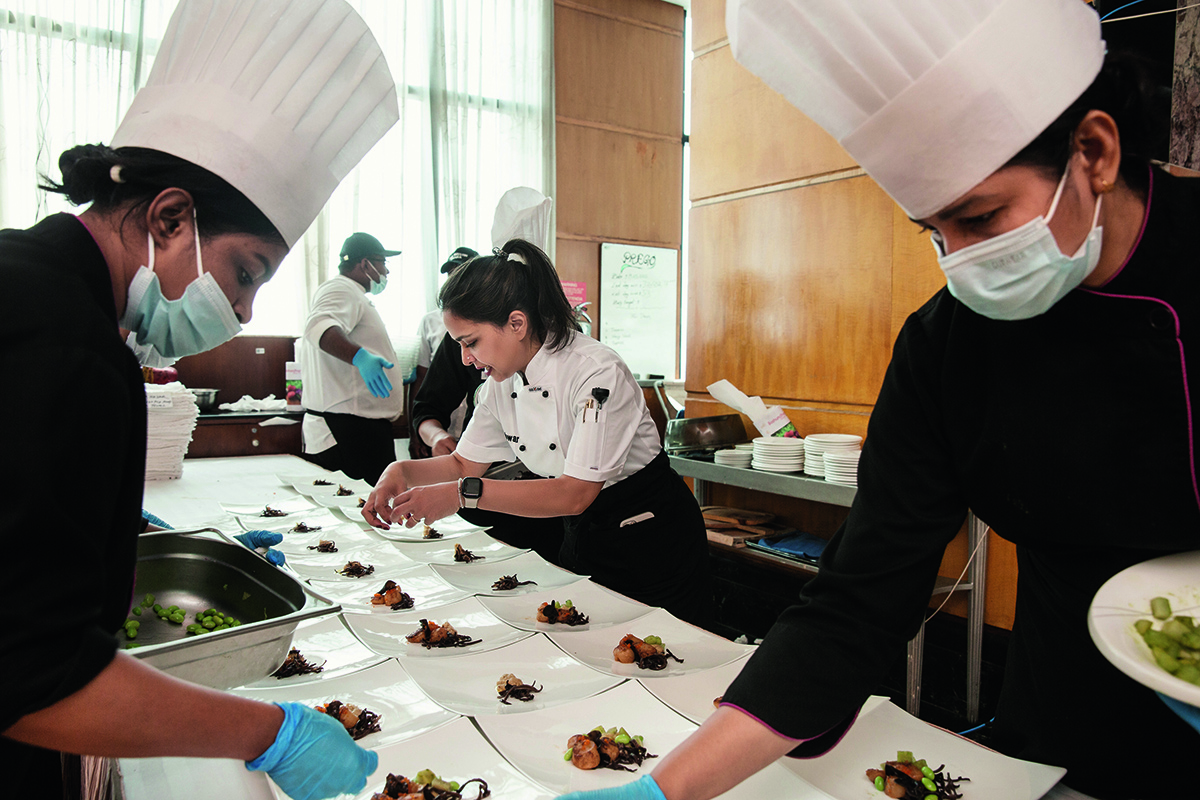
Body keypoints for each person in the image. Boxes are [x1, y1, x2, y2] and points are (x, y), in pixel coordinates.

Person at [559, 2, 1197, 800]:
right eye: (934, 232)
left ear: (1094, 152)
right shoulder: (946, 349)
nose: (961, 265)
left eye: (981, 217)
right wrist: (668, 789)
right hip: (1060, 725)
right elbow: (857, 604)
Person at [0, 2, 398, 798]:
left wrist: (124, 538)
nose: (245, 313)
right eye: (246, 272)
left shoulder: (28, 279)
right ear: (170, 216)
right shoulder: (71, 347)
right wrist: (267, 733)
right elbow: (29, 676)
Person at [363, 239, 711, 623]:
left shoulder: (595, 373)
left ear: (516, 323)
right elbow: (463, 463)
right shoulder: (500, 383)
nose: (465, 358)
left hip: (651, 539)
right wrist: (402, 472)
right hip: (584, 533)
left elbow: (574, 492)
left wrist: (463, 496)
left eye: (471, 342)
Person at [300, 231, 404, 483]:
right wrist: (360, 357)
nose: (386, 272)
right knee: (366, 510)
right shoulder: (341, 289)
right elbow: (318, 326)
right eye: (383, 263)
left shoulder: (352, 294)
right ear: (365, 263)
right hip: (348, 428)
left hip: (356, 426)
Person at [408, 245, 478, 459]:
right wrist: (433, 435)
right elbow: (427, 405)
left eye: (474, 342)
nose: (468, 359)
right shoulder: (444, 332)